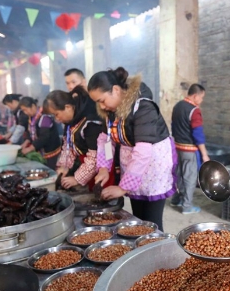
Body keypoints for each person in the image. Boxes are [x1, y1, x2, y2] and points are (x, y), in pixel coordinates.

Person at [88, 67, 175, 231]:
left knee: (152, 223)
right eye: (97, 102)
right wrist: (104, 168)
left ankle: (157, 253)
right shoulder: (112, 112)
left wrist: (123, 188)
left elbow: (142, 153)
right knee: (138, 219)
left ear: (115, 90)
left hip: (153, 168)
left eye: (102, 100)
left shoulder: (144, 108)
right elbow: (107, 141)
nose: (101, 106)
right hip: (133, 169)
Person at [45, 86, 105, 190]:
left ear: (68, 107)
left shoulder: (90, 123)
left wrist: (77, 179)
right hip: (87, 166)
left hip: (102, 168)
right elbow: (67, 146)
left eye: (57, 114)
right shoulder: (70, 122)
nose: (57, 119)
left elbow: (94, 157)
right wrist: (64, 167)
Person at [170, 83, 210, 214]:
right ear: (195, 95)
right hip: (189, 150)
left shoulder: (178, 106)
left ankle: (177, 199)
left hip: (177, 147)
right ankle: (187, 206)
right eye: (201, 97)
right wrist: (204, 154)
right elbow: (197, 134)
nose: (202, 101)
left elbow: (173, 126)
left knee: (180, 174)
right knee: (190, 177)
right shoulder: (194, 110)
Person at [20, 97, 61, 169]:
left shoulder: (44, 117)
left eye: (25, 110)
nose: (25, 113)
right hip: (41, 151)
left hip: (51, 152)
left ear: (33, 106)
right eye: (23, 111)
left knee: (51, 171)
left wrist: (29, 149)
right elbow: (32, 134)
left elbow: (44, 137)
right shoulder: (32, 118)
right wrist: (25, 143)